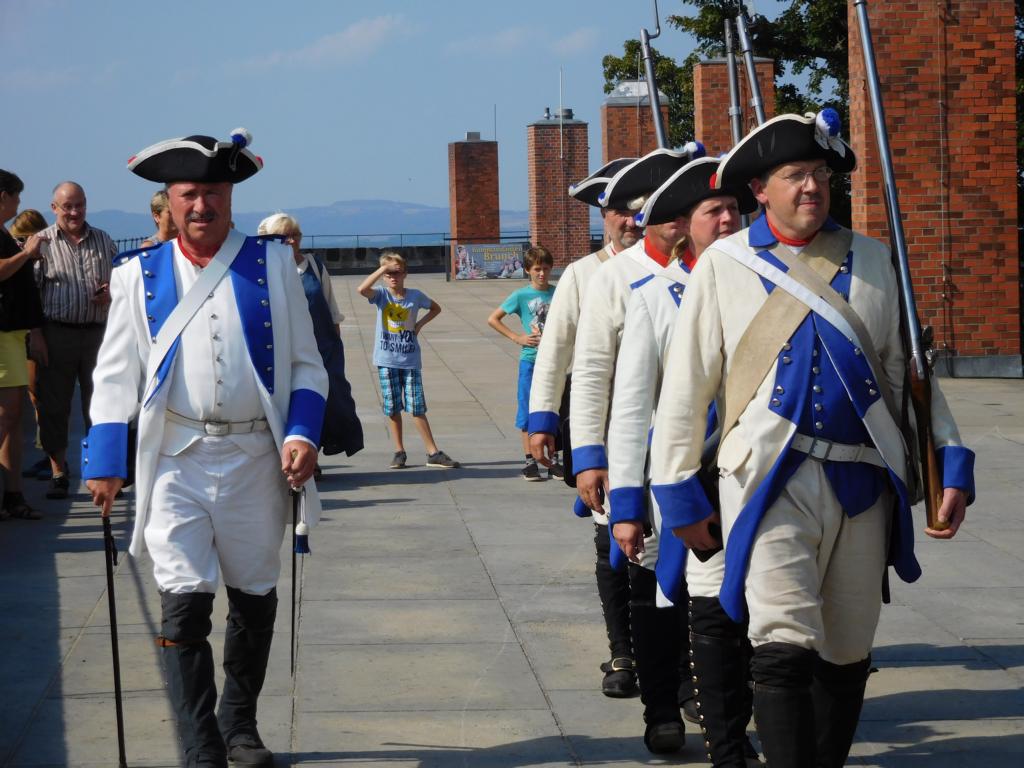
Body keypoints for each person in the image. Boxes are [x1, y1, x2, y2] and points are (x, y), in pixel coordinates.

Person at [649, 111, 975, 767]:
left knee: (849, 647)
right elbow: (687, 387)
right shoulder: (724, 264)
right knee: (781, 641)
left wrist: (950, 463)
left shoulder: (874, 259)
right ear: (760, 190)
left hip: (862, 478)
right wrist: (678, 491)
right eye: (796, 174)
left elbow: (908, 376)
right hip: (766, 478)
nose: (812, 187)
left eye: (821, 174)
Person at [82, 128, 328, 768]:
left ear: (230, 196)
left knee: (254, 593)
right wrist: (104, 461)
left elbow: (308, 366)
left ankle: (238, 726)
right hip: (175, 460)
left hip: (255, 458)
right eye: (189, 194)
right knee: (183, 600)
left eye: (213, 192)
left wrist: (301, 433)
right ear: (169, 200)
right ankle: (200, 745)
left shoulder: (273, 263)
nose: (202, 205)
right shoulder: (137, 275)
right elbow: (114, 376)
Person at [605, 156, 762, 767]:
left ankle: (734, 719)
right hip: (681, 478)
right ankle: (667, 712)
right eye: (713, 211)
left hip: (756, 477)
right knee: (667, 602)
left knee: (748, 612)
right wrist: (625, 501)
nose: (727, 220)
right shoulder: (652, 295)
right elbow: (628, 405)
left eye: (733, 209)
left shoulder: (768, 285)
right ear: (686, 224)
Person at [570, 143, 707, 754]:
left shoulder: (732, 274)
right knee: (647, 583)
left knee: (710, 593)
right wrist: (589, 455)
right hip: (646, 459)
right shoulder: (612, 277)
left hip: (720, 464)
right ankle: (659, 697)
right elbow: (592, 372)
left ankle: (698, 687)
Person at [526, 157, 640, 698]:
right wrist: (542, 419)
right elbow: (555, 351)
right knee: (610, 539)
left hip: (665, 430)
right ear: (603, 215)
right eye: (619, 210)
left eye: (639, 208)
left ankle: (678, 659)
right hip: (602, 424)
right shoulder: (582, 274)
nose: (630, 219)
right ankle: (623, 651)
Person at [257, 213, 363, 468]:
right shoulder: (265, 270)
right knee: (291, 402)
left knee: (331, 402)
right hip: (285, 350)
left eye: (295, 235)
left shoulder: (314, 266)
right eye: (284, 236)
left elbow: (331, 307)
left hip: (323, 347)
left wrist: (335, 346)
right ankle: (302, 461)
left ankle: (314, 453)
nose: (292, 241)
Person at [34, 181, 117, 499]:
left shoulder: (103, 240)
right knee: (54, 405)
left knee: (101, 404)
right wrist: (36, 335)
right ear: (54, 208)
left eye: (79, 205)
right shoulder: (41, 243)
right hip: (57, 332)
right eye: (67, 206)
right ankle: (58, 471)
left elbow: (120, 280)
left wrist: (110, 292)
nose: (74, 212)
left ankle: (100, 472)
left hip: (98, 333)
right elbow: (32, 294)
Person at [358, 252, 459, 469]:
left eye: (397, 272)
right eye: (389, 274)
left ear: (405, 274)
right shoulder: (381, 295)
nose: (393, 277)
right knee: (393, 407)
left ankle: (433, 452)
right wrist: (382, 269)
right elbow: (362, 289)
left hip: (410, 360)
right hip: (387, 360)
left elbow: (435, 308)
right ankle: (399, 451)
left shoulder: (415, 296)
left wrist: (419, 324)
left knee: (417, 407)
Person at [487, 245, 558, 480]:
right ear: (528, 270)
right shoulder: (521, 295)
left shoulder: (559, 293)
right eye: (537, 269)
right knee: (527, 409)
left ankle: (553, 459)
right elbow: (493, 319)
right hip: (531, 360)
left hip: (554, 361)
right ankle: (530, 460)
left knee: (553, 407)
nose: (542, 273)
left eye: (546, 268)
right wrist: (516, 337)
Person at [0, 172, 47, 520]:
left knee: (13, 419)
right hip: (3, 335)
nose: (19, 203)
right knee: (6, 415)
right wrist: (26, 254)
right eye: (16, 196)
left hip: (13, 334)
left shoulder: (3, 233)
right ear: (3, 196)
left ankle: (13, 494)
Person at [8, 209, 50, 482]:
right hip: (21, 331)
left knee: (40, 395)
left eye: (24, 239)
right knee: (34, 397)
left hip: (38, 331)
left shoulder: (42, 260)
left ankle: (50, 454)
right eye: (18, 240)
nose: (21, 245)